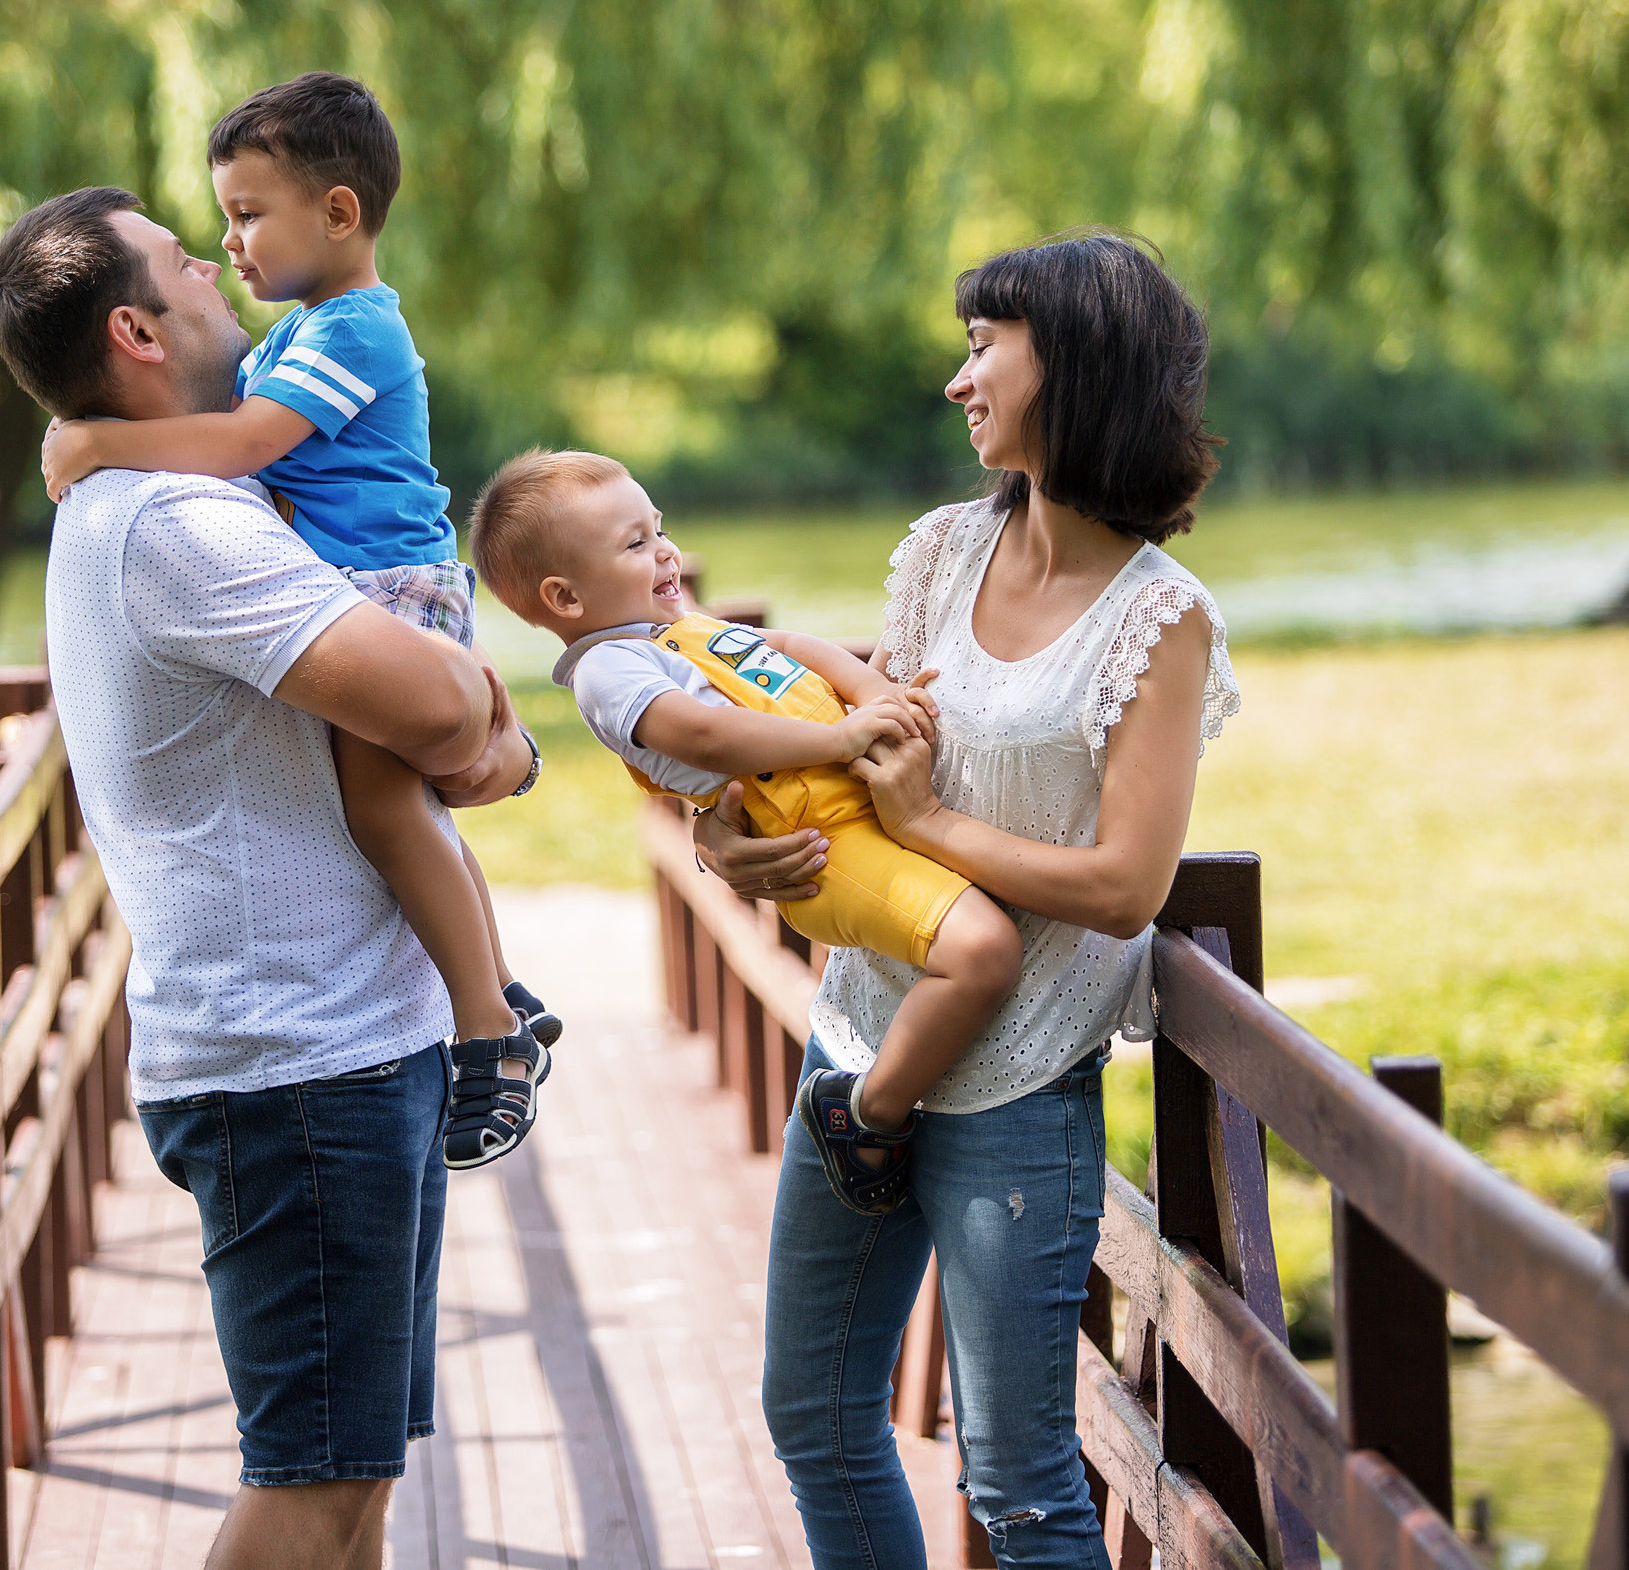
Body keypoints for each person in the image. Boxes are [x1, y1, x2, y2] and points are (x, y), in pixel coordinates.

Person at [0, 185, 537, 1570]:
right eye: (185, 261)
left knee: (351, 1487)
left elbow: (464, 737)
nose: (222, 269)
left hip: (340, 1047)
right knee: (312, 1488)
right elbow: (455, 721)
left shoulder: (180, 495)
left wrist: (477, 724)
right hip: (300, 1067)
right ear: (138, 326)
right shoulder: (176, 520)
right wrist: (481, 712)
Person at [695, 232, 1241, 1566]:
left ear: (1079, 366)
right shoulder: (943, 552)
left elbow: (1124, 886)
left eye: (985, 343)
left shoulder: (1158, 620)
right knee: (815, 1412)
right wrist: (727, 834)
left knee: (1023, 1486)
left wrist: (932, 824)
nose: (958, 378)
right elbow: (841, 736)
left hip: (1013, 1084)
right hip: (855, 1047)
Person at [36, 73, 550, 1169]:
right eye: (211, 229)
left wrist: (94, 442)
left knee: (387, 808)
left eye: (244, 215)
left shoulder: (352, 329)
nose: (226, 247)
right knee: (399, 805)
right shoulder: (296, 340)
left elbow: (240, 450)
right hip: (358, 586)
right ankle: (492, 992)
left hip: (389, 586)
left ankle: (488, 1024)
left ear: (338, 214)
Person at [467, 448, 1026, 1212]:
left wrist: (872, 691)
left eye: (658, 528)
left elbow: (790, 649)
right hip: (824, 845)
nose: (664, 551)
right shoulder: (609, 670)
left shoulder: (680, 629)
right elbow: (705, 739)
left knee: (989, 905)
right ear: (564, 597)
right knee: (984, 950)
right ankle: (867, 1112)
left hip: (858, 800)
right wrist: (841, 739)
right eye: (635, 545)